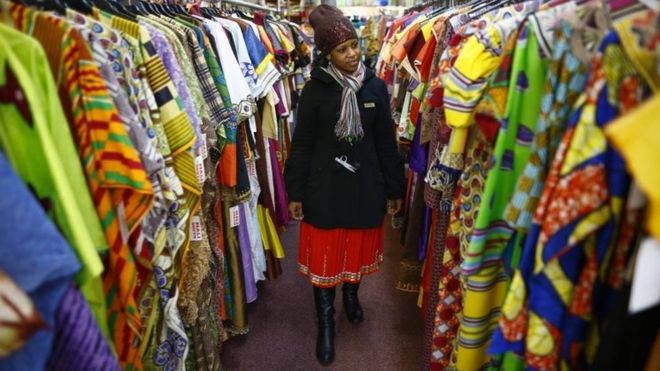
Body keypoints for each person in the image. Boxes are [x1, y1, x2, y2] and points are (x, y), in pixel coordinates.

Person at [284, 4, 405, 366]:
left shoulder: (375, 87)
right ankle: (325, 323)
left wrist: (395, 188)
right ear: (327, 54)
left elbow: (386, 141)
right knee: (325, 256)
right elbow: (301, 144)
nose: (352, 53)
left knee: (355, 249)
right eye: (342, 49)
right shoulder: (314, 92)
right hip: (325, 188)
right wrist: (296, 191)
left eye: (353, 45)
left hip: (365, 185)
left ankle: (351, 295)